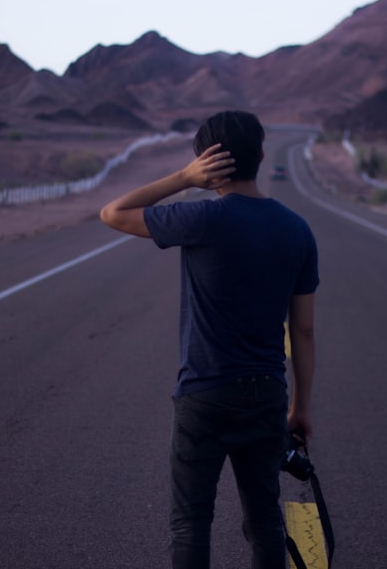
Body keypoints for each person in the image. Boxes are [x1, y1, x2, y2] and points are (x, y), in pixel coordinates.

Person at [99, 110, 319, 569]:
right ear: (261, 155)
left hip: (204, 392)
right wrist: (299, 407)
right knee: (264, 521)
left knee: (191, 522)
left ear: (206, 164)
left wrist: (183, 177)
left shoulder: (201, 219)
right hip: (265, 396)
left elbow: (113, 213)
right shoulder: (297, 230)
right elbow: (302, 331)